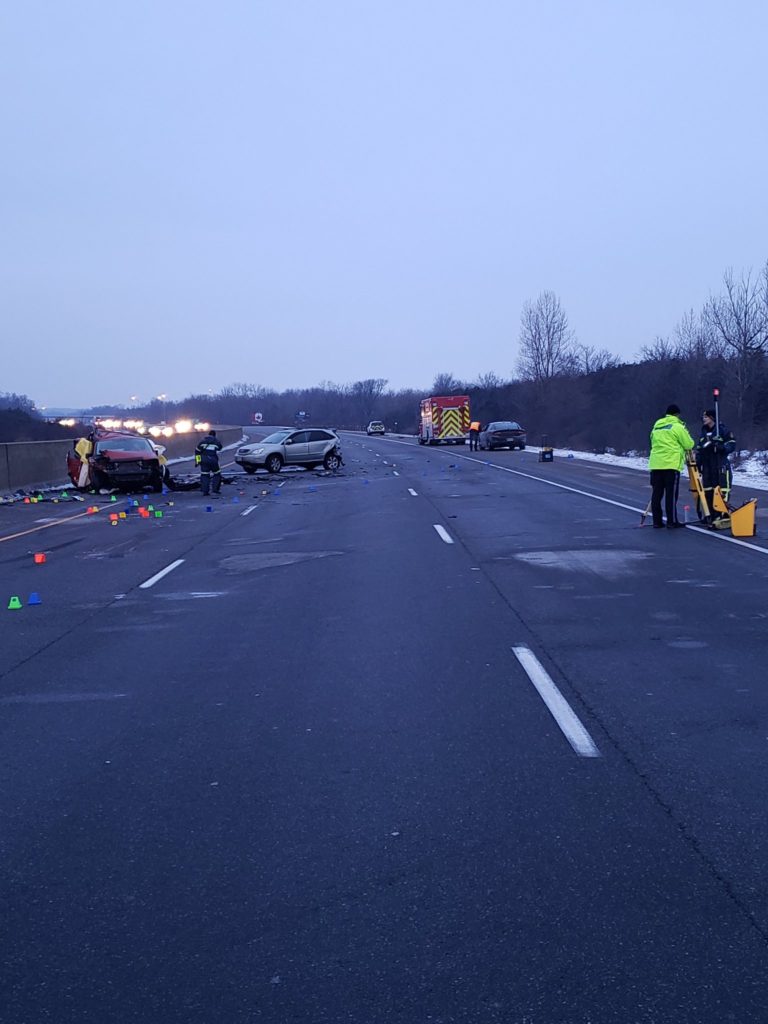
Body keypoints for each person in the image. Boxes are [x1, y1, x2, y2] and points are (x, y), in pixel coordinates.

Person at [648, 404, 694, 529]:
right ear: (677, 414)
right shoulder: (678, 426)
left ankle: (657, 521)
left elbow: (652, 440)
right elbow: (689, 444)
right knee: (671, 495)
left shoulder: (657, 426)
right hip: (670, 465)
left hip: (656, 464)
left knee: (656, 494)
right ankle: (671, 521)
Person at [695, 409, 735, 519]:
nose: (704, 419)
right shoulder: (703, 433)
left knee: (722, 490)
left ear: (712, 418)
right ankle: (710, 515)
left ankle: (722, 514)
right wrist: (697, 463)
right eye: (703, 417)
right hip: (707, 467)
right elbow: (699, 449)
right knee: (708, 491)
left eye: (706, 417)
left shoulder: (722, 430)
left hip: (720, 465)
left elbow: (731, 445)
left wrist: (721, 447)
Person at [196, 429, 223, 496]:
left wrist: (198, 461)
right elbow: (220, 448)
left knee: (205, 475)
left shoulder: (202, 441)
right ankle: (215, 490)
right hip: (213, 460)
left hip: (204, 460)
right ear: (214, 435)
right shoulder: (216, 441)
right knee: (217, 474)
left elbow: (197, 452)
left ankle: (205, 491)